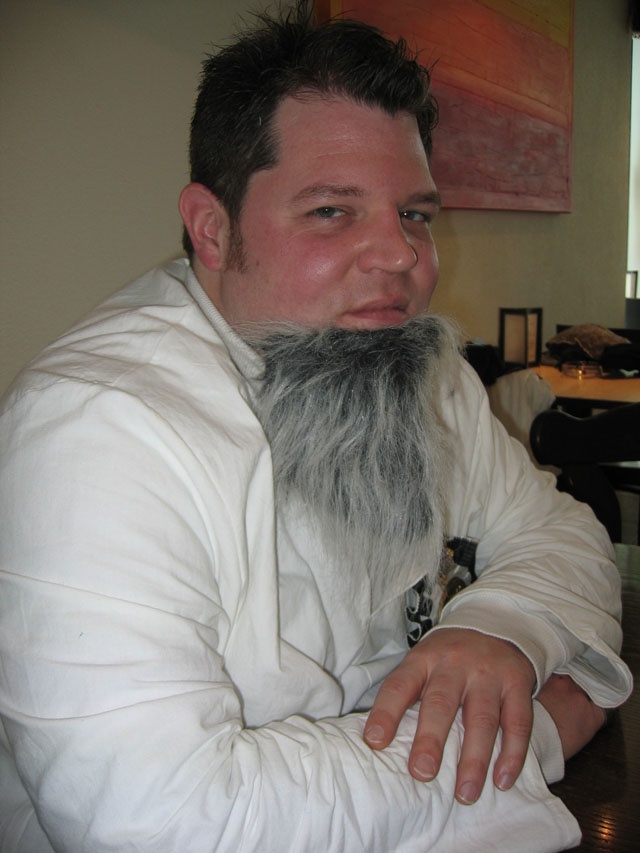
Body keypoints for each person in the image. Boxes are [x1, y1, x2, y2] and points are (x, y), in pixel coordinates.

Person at [0, 2, 632, 850]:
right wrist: (531, 739)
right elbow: (153, 821)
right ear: (212, 228)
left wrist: (500, 625)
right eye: (333, 211)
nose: (402, 255)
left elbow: (560, 531)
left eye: (415, 213)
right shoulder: (93, 431)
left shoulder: (410, 365)